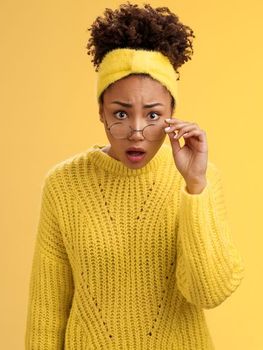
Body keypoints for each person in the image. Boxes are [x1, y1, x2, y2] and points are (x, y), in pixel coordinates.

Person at [24, 3, 245, 349]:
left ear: (173, 113)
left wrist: (195, 187)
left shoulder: (199, 181)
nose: (137, 130)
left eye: (153, 115)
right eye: (121, 113)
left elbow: (209, 291)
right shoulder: (63, 186)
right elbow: (47, 310)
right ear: (100, 111)